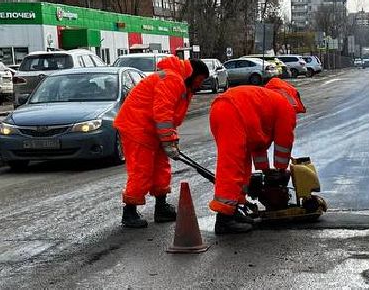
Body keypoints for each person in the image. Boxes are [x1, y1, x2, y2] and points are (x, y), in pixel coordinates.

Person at [114, 55, 210, 228]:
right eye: (201, 80)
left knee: (161, 168)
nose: (200, 85)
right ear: (194, 74)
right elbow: (163, 112)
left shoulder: (181, 83)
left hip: (151, 128)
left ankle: (161, 207)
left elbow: (169, 117)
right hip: (137, 127)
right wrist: (168, 140)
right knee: (141, 170)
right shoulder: (173, 80)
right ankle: (129, 212)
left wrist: (170, 140)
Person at [206, 78, 304, 235]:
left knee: (242, 166)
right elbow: (284, 142)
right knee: (231, 166)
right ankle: (224, 219)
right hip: (232, 112)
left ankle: (234, 210)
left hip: (223, 110)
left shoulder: (265, 100)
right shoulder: (285, 106)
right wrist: (280, 170)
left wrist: (265, 169)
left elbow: (258, 144)